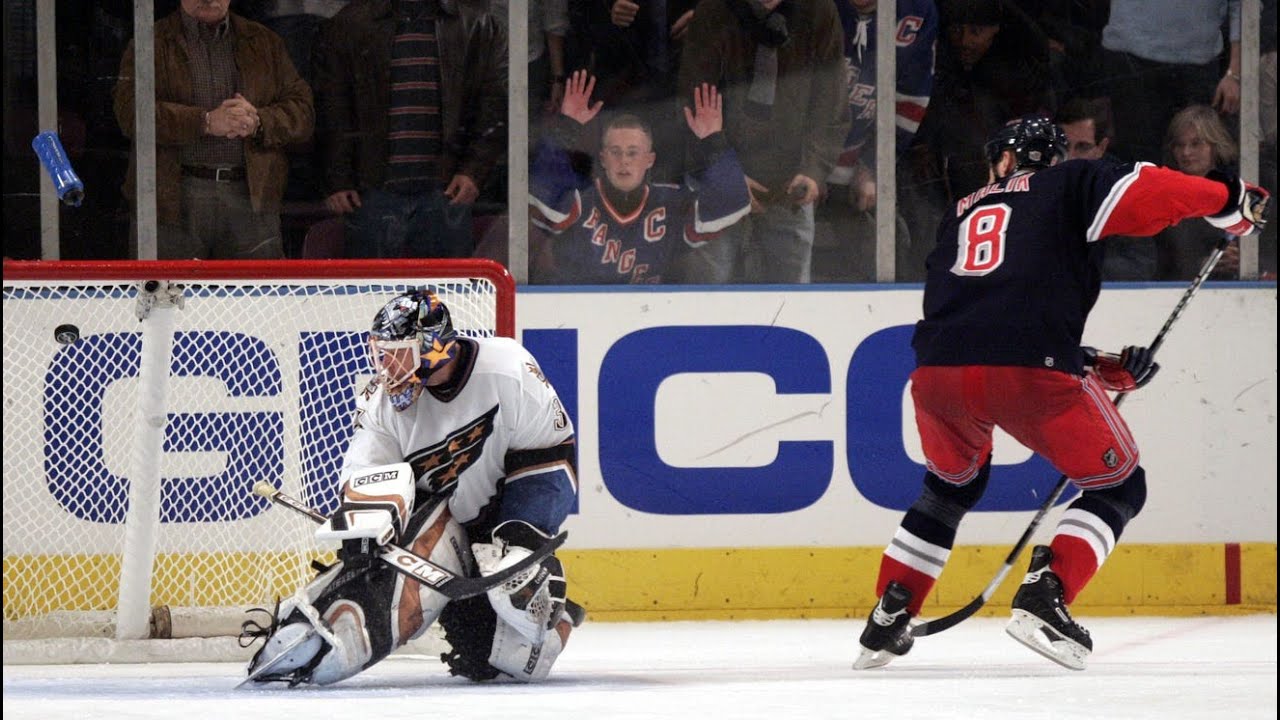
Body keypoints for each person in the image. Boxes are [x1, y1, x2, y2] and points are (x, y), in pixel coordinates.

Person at [853, 115, 1269, 671]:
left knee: (949, 489)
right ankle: (1047, 592)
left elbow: (988, 313)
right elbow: (1149, 190)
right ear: (1052, 158)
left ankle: (889, 614)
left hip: (938, 377)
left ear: (1003, 158)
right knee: (1119, 485)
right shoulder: (1067, 183)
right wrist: (1228, 197)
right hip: (1030, 373)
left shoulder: (960, 212)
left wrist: (1094, 363)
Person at [241, 288, 582, 686]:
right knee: (368, 592)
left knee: (502, 647)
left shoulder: (507, 369)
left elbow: (551, 454)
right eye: (382, 353)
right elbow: (368, 473)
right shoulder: (381, 404)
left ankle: (558, 618)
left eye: (398, 353)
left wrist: (522, 534)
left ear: (435, 347)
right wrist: (365, 529)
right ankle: (310, 627)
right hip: (436, 514)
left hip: (499, 514)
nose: (387, 366)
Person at [112, 0, 315, 260]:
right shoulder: (150, 42)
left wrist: (258, 122)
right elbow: (130, 113)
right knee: (169, 296)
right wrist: (205, 121)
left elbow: (303, 112)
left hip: (251, 196)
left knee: (255, 299)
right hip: (173, 197)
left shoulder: (264, 42)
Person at [312, 0, 508, 258]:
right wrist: (338, 178)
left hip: (447, 190)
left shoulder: (479, 24)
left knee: (448, 294)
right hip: (370, 191)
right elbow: (332, 107)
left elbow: (495, 105)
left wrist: (473, 170)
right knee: (369, 295)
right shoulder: (349, 23)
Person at [674, 0, 850, 284]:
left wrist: (814, 169)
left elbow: (830, 101)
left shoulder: (818, 9)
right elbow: (694, 101)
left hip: (787, 184)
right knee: (709, 299)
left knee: (790, 304)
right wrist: (726, 174)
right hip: (717, 179)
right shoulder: (715, 9)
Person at [529, 71, 751, 283]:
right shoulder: (581, 201)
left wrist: (713, 142)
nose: (624, 161)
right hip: (582, 312)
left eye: (633, 152)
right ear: (603, 159)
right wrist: (567, 129)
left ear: (650, 160)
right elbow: (544, 200)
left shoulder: (670, 202)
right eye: (615, 152)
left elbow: (728, 205)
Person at [814, 0, 937, 283]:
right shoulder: (814, 7)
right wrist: (810, 165)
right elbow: (789, 94)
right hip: (798, 161)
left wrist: (873, 165)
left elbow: (911, 98)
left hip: (857, 162)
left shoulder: (918, 10)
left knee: (898, 242)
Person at [1100, 0, 1246, 165]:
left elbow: (1243, 7)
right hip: (1129, 58)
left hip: (1197, 65)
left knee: (1196, 158)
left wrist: (1234, 73)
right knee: (1138, 164)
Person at [1055, 96, 1157, 281]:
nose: (1069, 157)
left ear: (1101, 148)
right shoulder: (1033, 183)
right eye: (1063, 147)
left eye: (1082, 147)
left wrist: (1078, 264)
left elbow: (1141, 264)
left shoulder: (1123, 190)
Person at [1154, 104, 1244, 280]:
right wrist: (1201, 265)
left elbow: (1266, 252)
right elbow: (1156, 263)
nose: (1186, 153)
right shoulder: (1163, 197)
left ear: (1215, 145)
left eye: (1196, 144)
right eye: (1180, 145)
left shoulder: (1239, 192)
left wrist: (1246, 261)